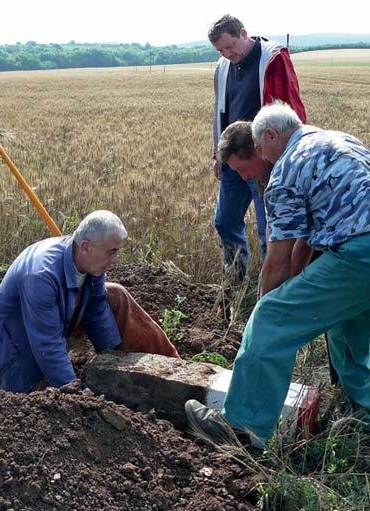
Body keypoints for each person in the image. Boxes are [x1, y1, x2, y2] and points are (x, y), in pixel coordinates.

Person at [185, 102, 370, 446]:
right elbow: (304, 242)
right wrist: (295, 288)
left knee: (270, 321)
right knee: (349, 329)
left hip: (358, 254)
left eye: (260, 148)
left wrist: (264, 308)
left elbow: (278, 261)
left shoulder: (287, 169)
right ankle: (364, 417)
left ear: (271, 136)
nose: (261, 157)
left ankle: (240, 428)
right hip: (359, 255)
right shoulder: (339, 140)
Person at [0, 210, 179, 393]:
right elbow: (47, 345)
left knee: (116, 294)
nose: (115, 260)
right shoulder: (41, 276)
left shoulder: (90, 264)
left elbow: (97, 309)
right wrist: (75, 393)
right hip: (14, 343)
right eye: (111, 252)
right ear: (86, 245)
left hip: (49, 324)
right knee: (19, 405)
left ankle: (174, 366)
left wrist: (112, 361)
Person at [209, 14, 307, 281]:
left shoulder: (273, 58)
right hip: (234, 158)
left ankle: (272, 291)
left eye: (230, 46)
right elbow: (219, 112)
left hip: (264, 159)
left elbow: (291, 110)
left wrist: (286, 161)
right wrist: (218, 154)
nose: (227, 54)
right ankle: (234, 281)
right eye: (220, 50)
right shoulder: (223, 67)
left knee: (271, 232)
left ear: (243, 33)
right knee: (225, 222)